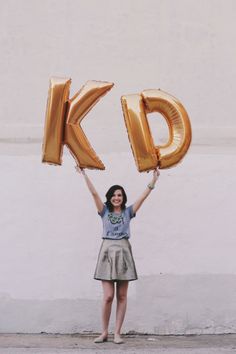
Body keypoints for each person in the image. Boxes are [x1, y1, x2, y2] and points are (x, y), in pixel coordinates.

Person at [75, 166, 160, 344]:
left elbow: (143, 197)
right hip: (107, 251)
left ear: (123, 198)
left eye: (119, 195)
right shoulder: (104, 211)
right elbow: (94, 194)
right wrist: (84, 175)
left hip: (123, 252)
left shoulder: (129, 212)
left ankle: (117, 333)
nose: (116, 197)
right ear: (110, 197)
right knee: (108, 296)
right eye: (114, 195)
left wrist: (153, 181)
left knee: (122, 296)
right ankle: (104, 332)